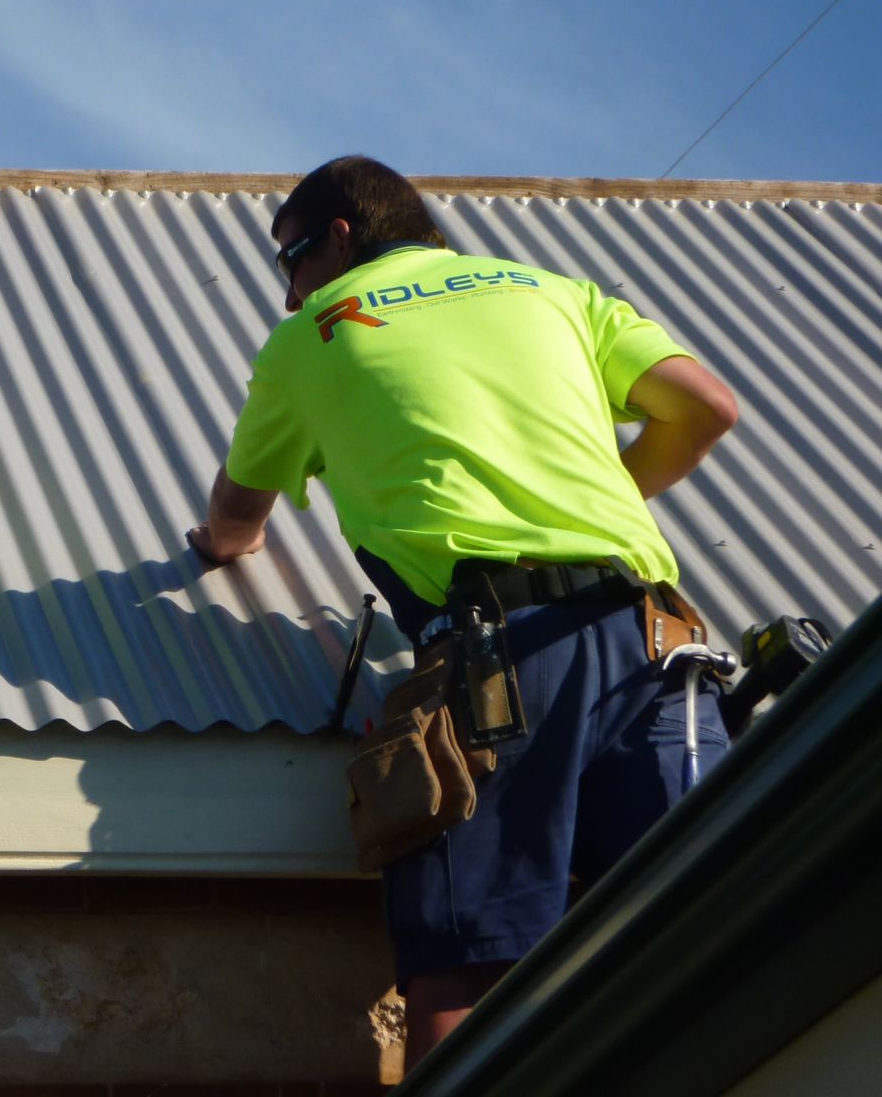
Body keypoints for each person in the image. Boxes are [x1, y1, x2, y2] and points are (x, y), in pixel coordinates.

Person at [187, 156, 738, 1069]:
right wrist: (610, 508)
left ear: (338, 236)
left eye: (286, 261)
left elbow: (240, 509)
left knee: (462, 970)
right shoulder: (556, 292)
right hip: (656, 646)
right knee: (712, 923)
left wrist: (220, 547)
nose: (287, 295)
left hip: (500, 660)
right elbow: (707, 408)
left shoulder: (313, 335)